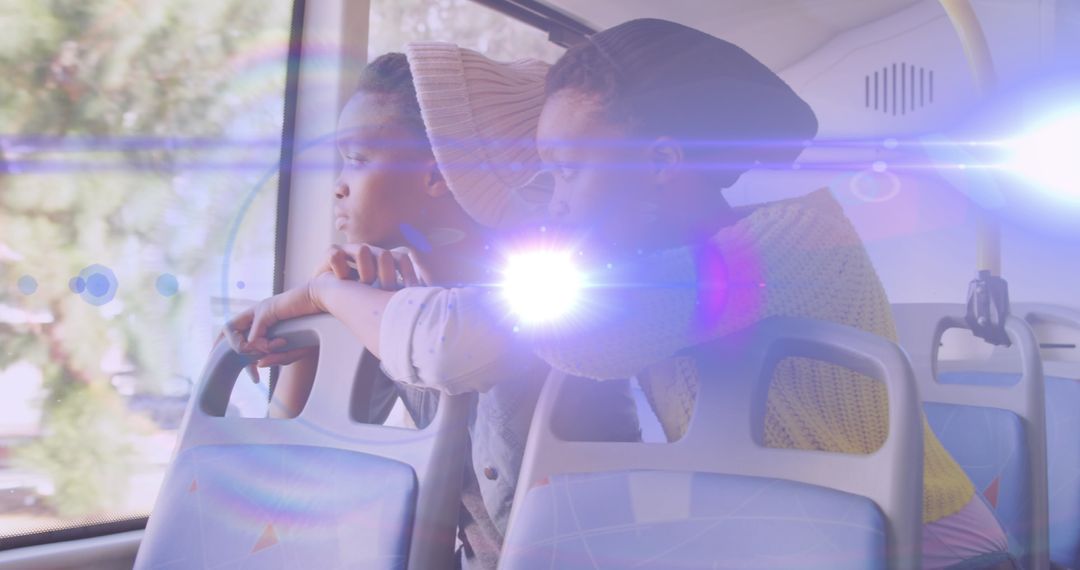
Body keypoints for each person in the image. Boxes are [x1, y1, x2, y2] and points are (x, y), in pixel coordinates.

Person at [225, 45, 639, 570]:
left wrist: (321, 295)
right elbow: (289, 476)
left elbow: (446, 345)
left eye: (358, 159)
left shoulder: (545, 289)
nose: (338, 186)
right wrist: (313, 327)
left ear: (438, 175)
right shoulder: (390, 303)